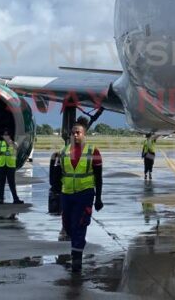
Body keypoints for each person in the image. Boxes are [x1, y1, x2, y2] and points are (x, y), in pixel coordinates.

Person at [56, 117, 104, 273]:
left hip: (85, 194)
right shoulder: (63, 151)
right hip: (67, 193)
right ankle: (76, 247)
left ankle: (77, 257)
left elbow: (99, 176)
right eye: (73, 133)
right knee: (68, 226)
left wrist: (99, 198)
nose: (75, 135)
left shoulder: (93, 151)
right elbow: (58, 175)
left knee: (80, 224)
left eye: (78, 132)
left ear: (84, 134)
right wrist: (56, 194)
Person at [0, 130, 23, 204]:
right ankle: (1, 199)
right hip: (1, 165)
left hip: (10, 165)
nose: (6, 137)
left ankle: (15, 199)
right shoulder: (0, 143)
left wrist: (4, 152)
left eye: (7, 135)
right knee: (1, 182)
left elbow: (14, 153)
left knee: (12, 183)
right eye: (4, 135)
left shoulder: (13, 144)